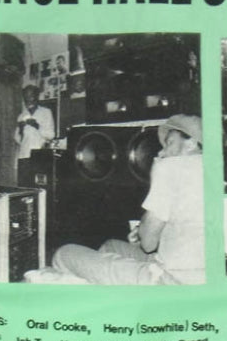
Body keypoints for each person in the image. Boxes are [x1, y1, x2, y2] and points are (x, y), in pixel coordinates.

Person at [50, 115, 204, 285]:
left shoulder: (171, 167)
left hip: (171, 280)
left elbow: (148, 244)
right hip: (197, 273)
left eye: (169, 143)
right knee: (111, 246)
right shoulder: (211, 170)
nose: (161, 152)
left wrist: (157, 173)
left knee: (63, 254)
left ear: (191, 143)